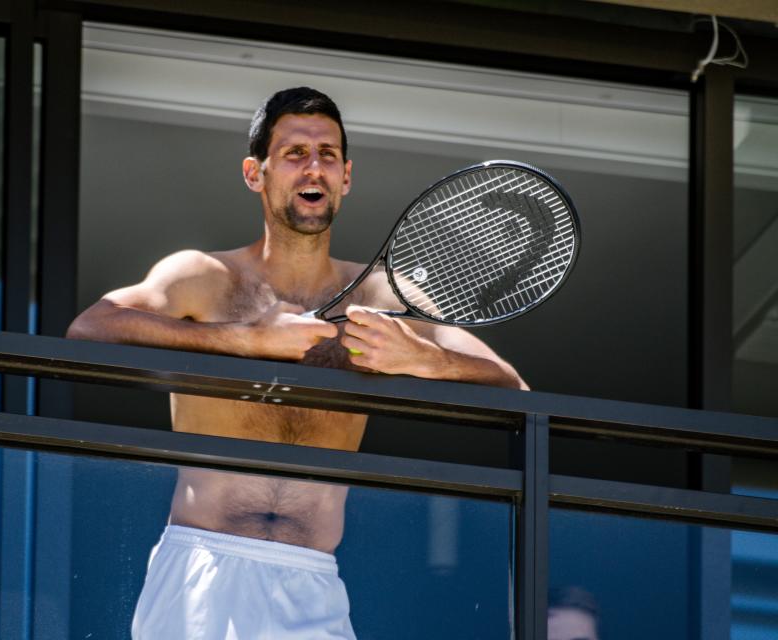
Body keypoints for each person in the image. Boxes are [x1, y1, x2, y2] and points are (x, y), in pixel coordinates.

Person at [67, 87, 527, 639]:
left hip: (314, 581)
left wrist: (423, 358)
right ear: (254, 173)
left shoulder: (382, 294)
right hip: (202, 568)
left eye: (328, 154)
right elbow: (92, 328)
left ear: (347, 177)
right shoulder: (205, 275)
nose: (314, 166)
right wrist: (247, 340)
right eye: (294, 153)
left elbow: (513, 388)